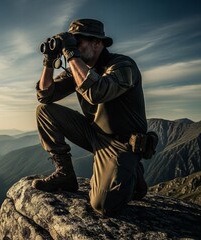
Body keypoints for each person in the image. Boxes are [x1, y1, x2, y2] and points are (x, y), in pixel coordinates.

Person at [32, 18, 148, 216]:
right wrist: (48, 61)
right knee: (44, 111)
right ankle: (65, 174)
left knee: (102, 205)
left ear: (97, 43)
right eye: (71, 43)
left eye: (77, 42)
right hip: (94, 133)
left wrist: (71, 54)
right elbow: (45, 95)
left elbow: (97, 92)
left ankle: (133, 176)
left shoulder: (123, 66)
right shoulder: (78, 69)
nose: (73, 48)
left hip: (120, 143)